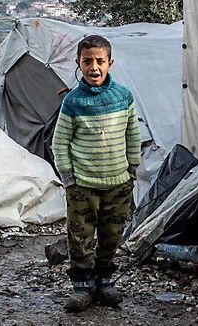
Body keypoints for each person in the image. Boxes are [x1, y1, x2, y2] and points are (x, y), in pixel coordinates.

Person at [52, 34, 141, 312]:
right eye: (87, 61)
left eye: (100, 61)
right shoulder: (74, 102)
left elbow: (132, 134)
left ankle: (104, 281)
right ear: (79, 63)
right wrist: (69, 179)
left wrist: (132, 167)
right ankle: (82, 287)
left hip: (118, 183)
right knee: (80, 236)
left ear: (110, 63)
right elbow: (60, 143)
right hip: (83, 185)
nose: (94, 67)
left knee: (112, 233)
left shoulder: (123, 97)